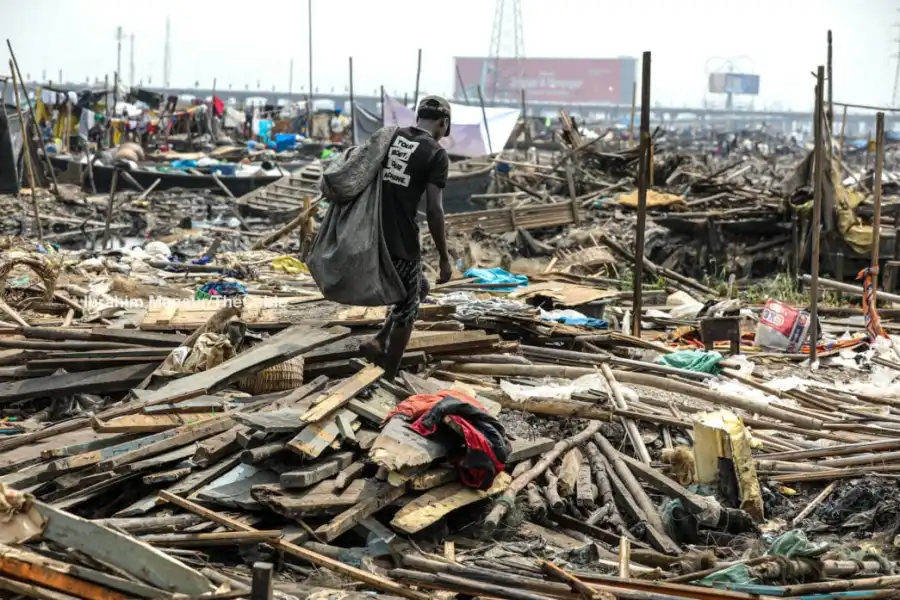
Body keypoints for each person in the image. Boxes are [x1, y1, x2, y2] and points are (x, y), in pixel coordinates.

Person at [360, 95, 453, 380]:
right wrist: (444, 258)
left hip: (372, 231)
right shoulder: (436, 154)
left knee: (419, 286)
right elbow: (434, 210)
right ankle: (389, 375)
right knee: (408, 310)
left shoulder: (391, 137)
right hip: (401, 239)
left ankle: (379, 340)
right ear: (443, 123)